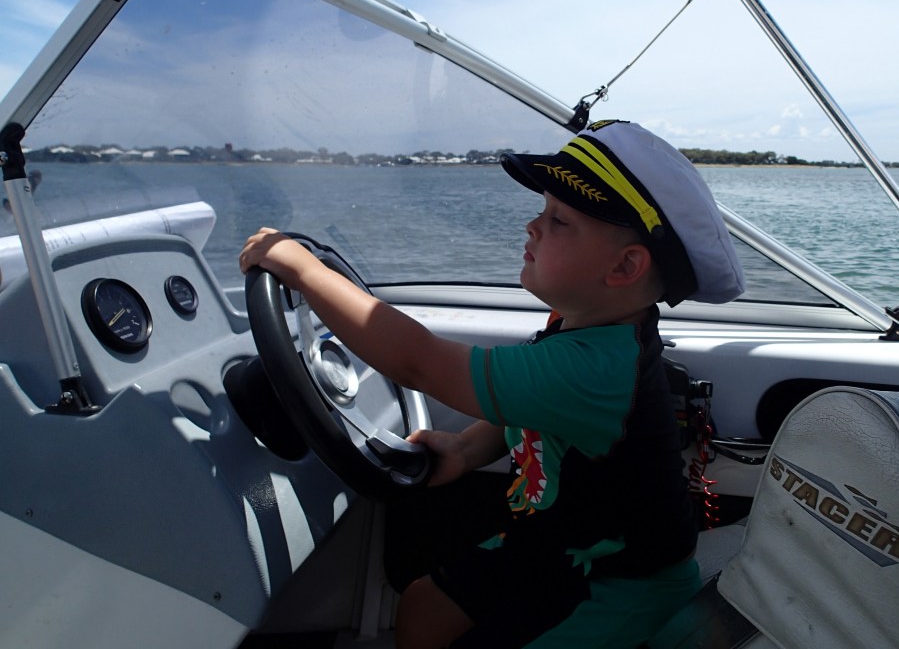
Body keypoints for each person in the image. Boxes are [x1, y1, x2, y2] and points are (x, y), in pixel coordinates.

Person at [238, 119, 745, 648]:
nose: (532, 225)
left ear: (624, 267)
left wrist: (303, 271)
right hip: (557, 539)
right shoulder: (583, 322)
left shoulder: (596, 370)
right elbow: (523, 407)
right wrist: (461, 448)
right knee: (425, 606)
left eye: (558, 220)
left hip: (621, 580)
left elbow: (420, 362)